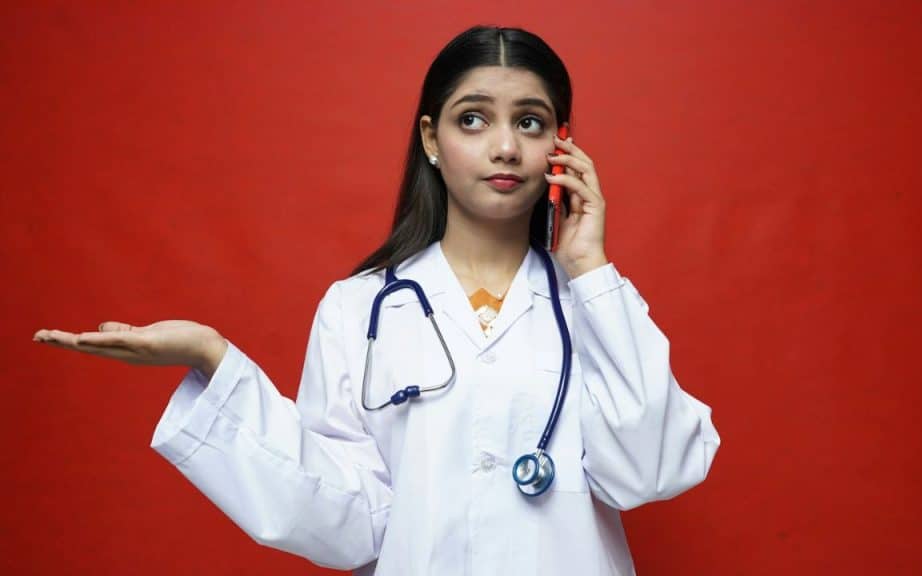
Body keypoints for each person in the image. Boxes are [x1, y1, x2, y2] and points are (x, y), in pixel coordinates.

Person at [33, 25, 720, 575]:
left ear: (561, 147)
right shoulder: (357, 309)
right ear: (431, 138)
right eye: (474, 119)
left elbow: (651, 472)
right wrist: (212, 357)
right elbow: (349, 522)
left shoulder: (596, 308)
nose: (506, 146)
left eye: (532, 123)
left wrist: (592, 269)